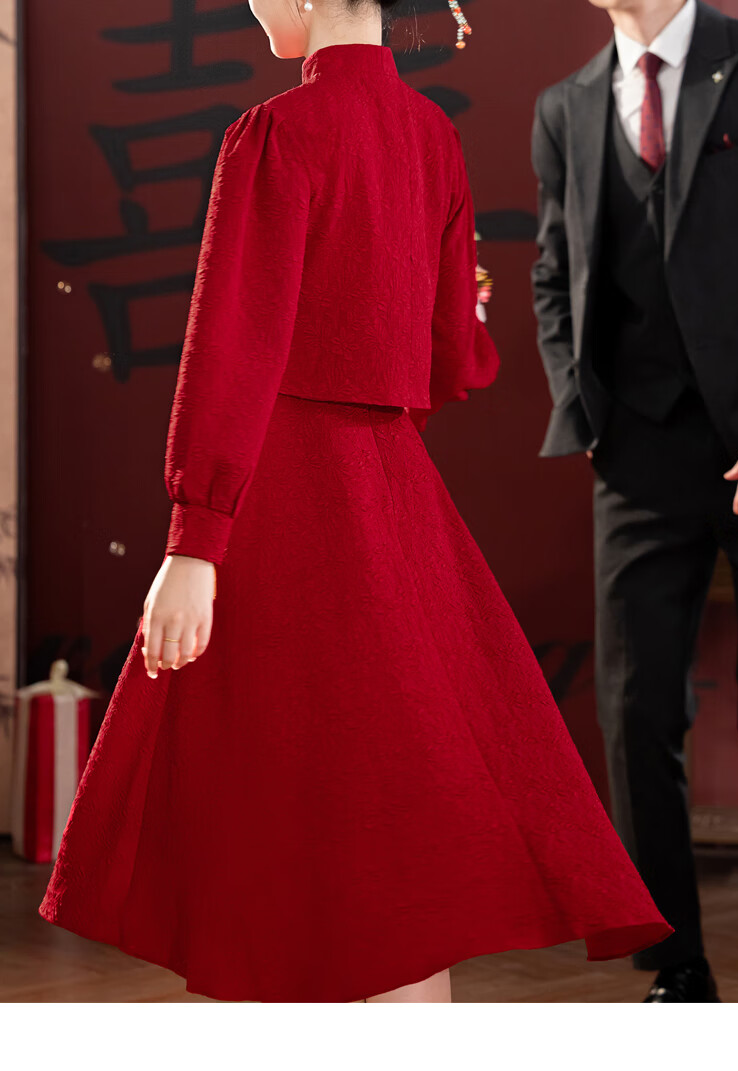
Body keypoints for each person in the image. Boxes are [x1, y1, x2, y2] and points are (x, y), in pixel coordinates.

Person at [39, 0, 671, 1004]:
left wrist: (195, 538)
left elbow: (231, 346)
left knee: (278, 823)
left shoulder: (275, 132)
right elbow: (453, 358)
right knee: (392, 824)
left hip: (281, 493)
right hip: (390, 495)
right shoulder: (431, 138)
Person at [531, 0, 738, 1002]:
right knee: (635, 710)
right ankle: (677, 969)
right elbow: (553, 273)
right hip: (638, 453)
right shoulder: (566, 106)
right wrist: (584, 411)